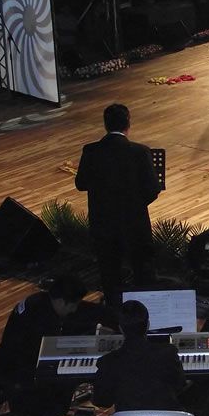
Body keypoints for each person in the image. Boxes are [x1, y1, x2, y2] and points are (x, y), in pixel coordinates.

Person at [0, 275, 116, 416]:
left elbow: (85, 310)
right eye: (73, 305)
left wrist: (112, 319)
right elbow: (43, 360)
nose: (74, 309)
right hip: (16, 369)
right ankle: (43, 414)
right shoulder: (40, 321)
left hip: (18, 360)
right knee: (64, 377)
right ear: (62, 301)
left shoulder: (44, 300)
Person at [75, 104, 162, 303]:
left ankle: (113, 308)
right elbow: (152, 189)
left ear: (105, 124)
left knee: (109, 271)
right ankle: (143, 308)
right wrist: (135, 205)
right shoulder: (140, 152)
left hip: (102, 223)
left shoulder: (91, 151)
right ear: (128, 124)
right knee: (142, 269)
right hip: (134, 223)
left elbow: (81, 184)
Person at [93, 300, 188, 416]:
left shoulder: (108, 362)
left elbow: (101, 401)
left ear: (120, 328)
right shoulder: (168, 353)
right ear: (148, 325)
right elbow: (179, 385)